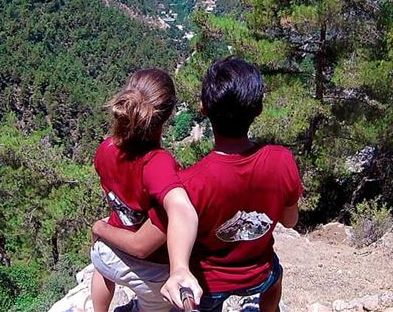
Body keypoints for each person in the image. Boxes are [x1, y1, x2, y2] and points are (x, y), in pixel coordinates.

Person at [93, 57, 303, 312]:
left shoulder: (191, 182)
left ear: (203, 109)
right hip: (259, 272)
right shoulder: (282, 160)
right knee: (275, 275)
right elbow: (290, 221)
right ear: (258, 109)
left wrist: (180, 267)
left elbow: (165, 231)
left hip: (210, 282)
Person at [89, 68, 201, 312]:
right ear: (168, 115)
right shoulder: (158, 164)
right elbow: (176, 212)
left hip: (107, 253)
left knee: (100, 268)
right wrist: (181, 268)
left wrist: (100, 227)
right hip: (149, 273)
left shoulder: (105, 148)